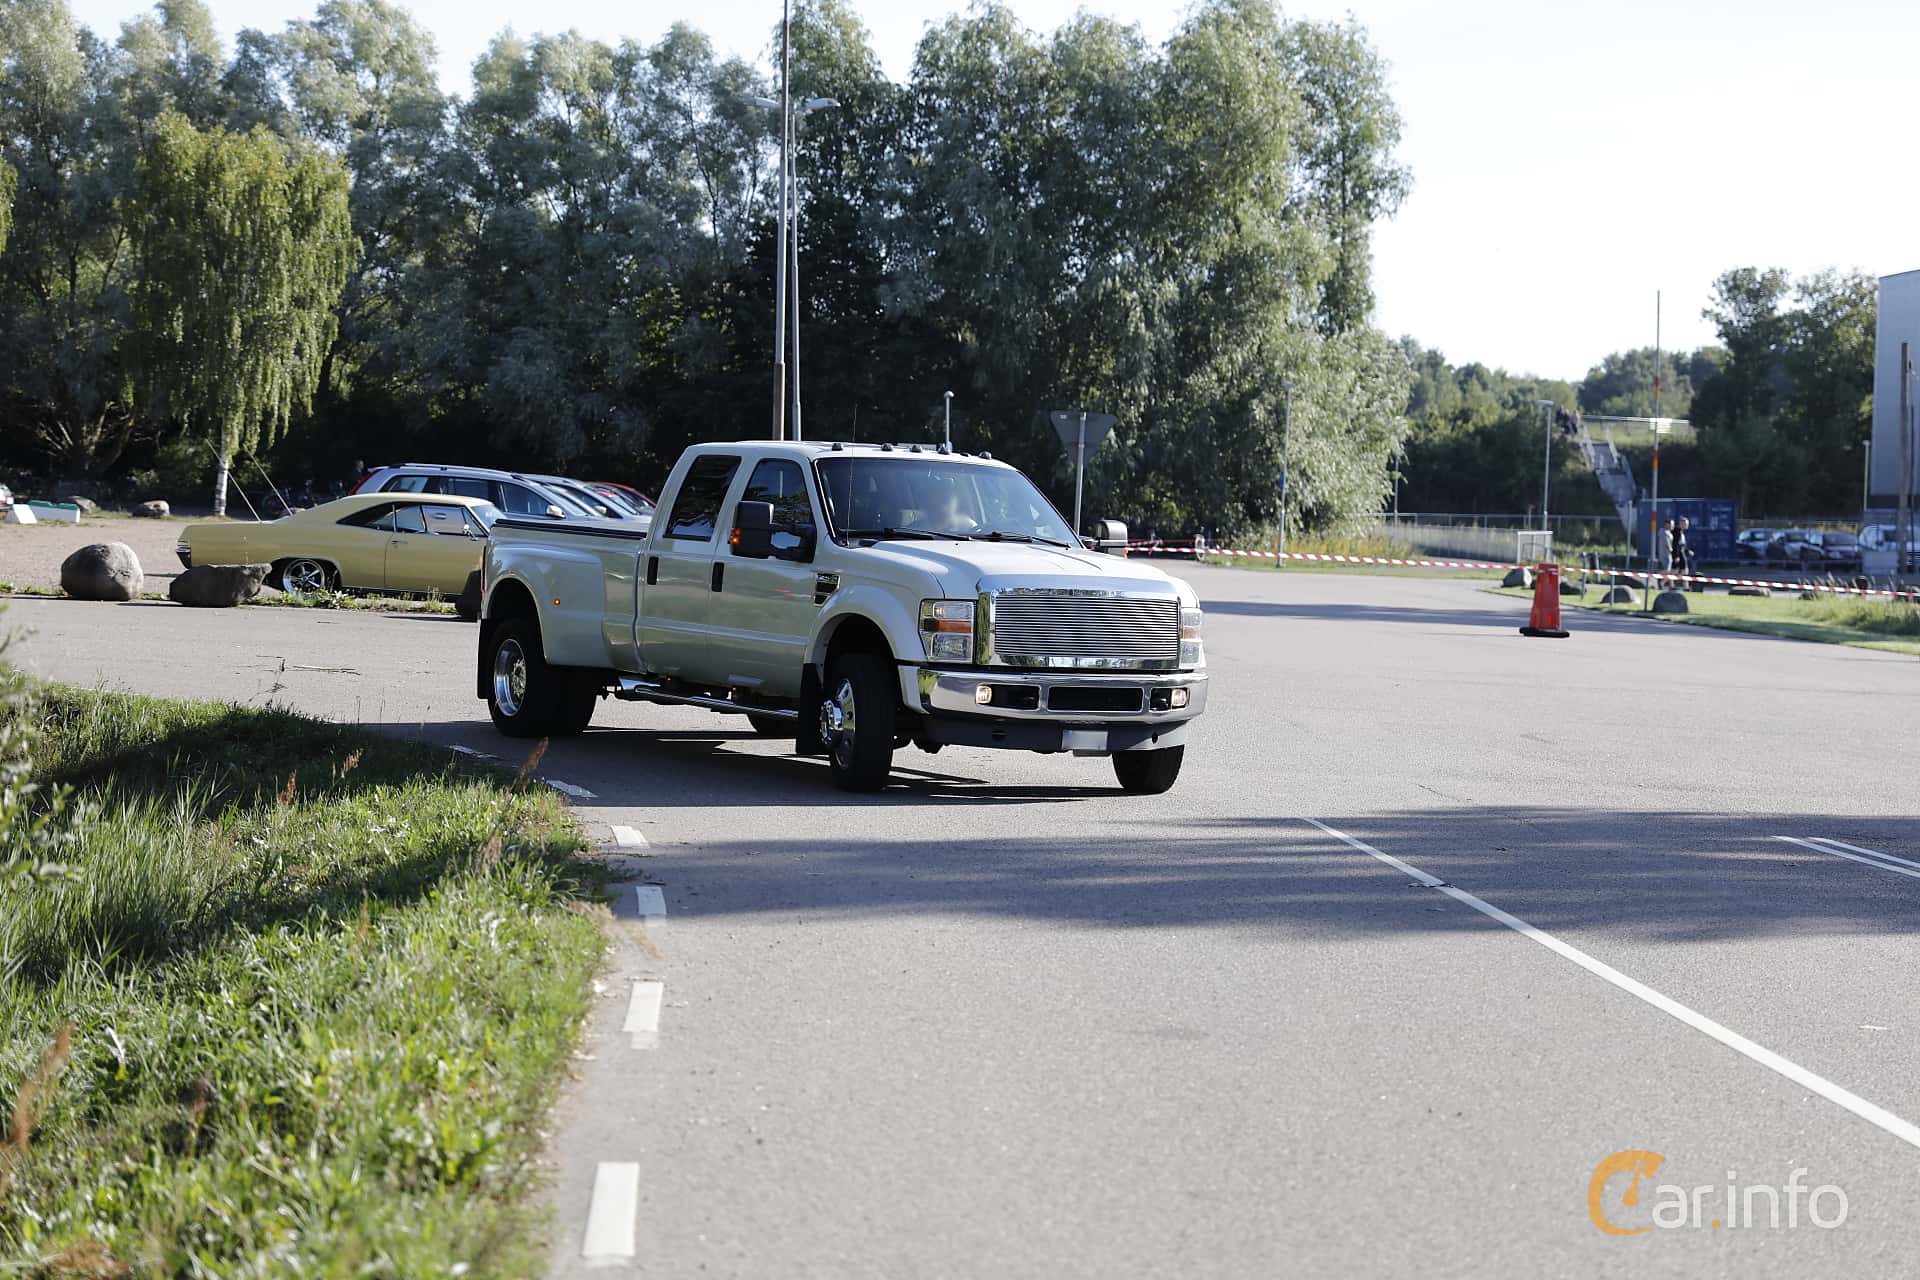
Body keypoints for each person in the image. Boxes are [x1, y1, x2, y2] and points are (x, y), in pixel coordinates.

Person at [1674, 516, 1693, 588]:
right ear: (1681, 524)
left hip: (1681, 553)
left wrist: (1688, 551)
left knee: (1682, 570)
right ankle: (1685, 586)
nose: (1687, 525)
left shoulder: (1681, 532)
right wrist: (1676, 556)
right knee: (1683, 570)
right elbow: (1675, 545)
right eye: (1685, 524)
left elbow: (1682, 545)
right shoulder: (1677, 532)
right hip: (1679, 554)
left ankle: (1686, 586)